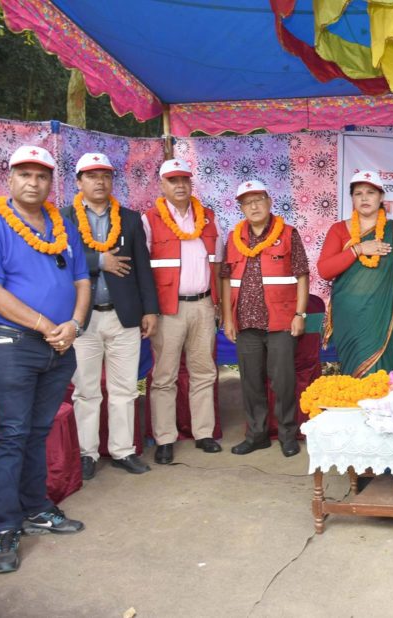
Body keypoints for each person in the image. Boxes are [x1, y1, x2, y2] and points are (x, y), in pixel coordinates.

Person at [0, 146, 90, 574]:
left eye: (42, 175)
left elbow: (82, 280)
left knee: (37, 432)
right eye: (25, 174)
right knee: (11, 434)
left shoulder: (62, 226)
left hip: (61, 345)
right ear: (10, 179)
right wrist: (45, 325)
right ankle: (2, 527)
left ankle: (35, 508)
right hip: (12, 343)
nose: (33, 182)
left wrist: (75, 325)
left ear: (52, 182)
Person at [63, 153, 158, 480]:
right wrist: (99, 261)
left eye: (105, 175)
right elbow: (62, 259)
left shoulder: (129, 219)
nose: (99, 181)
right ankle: (86, 454)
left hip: (124, 316)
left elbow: (143, 267)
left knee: (124, 389)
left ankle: (122, 451)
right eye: (91, 176)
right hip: (82, 318)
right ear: (79, 182)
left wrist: (150, 309)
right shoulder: (63, 219)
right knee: (86, 390)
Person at [143, 159, 224, 465]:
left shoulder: (209, 217)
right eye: (173, 180)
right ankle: (165, 438)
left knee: (204, 371)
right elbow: (143, 269)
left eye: (184, 180)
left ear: (191, 183)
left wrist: (217, 303)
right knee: (164, 375)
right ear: (162, 185)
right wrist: (149, 310)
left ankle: (204, 433)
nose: (180, 185)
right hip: (168, 308)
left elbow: (218, 263)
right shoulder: (149, 219)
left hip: (203, 304)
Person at [221, 180, 310, 457]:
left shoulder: (288, 234)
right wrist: (228, 319)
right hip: (245, 322)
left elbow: (302, 275)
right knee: (251, 382)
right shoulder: (234, 238)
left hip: (281, 321)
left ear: (269, 202)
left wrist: (300, 314)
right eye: (247, 202)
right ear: (241, 208)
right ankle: (256, 435)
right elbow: (225, 279)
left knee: (283, 381)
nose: (254, 206)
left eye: (258, 199)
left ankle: (287, 434)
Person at [317, 171, 393, 376]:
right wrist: (358, 249)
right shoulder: (338, 230)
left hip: (385, 319)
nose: (364, 198)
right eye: (358, 193)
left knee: (385, 380)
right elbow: (325, 270)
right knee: (354, 380)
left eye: (370, 192)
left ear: (381, 197)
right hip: (349, 319)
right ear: (352, 198)